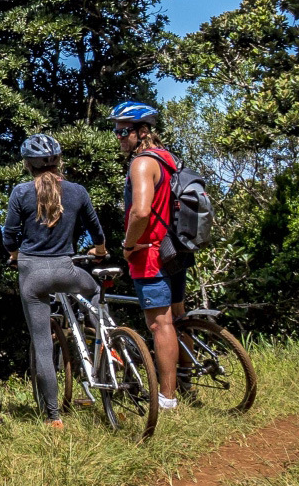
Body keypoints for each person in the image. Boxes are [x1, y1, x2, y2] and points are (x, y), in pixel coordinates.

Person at [2, 134, 108, 429]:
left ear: (27, 165)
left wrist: (14, 255)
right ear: (59, 161)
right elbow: (97, 234)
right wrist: (98, 252)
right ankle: (100, 335)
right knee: (95, 292)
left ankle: (53, 417)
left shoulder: (20, 193)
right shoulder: (77, 191)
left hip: (33, 275)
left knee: (42, 346)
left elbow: (10, 236)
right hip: (67, 270)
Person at [109, 100, 187, 411]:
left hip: (150, 252)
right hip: (175, 249)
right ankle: (186, 382)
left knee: (160, 324)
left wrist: (128, 245)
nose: (118, 137)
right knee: (178, 318)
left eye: (123, 131)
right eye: (116, 131)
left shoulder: (141, 163)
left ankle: (167, 397)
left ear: (142, 132)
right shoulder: (168, 158)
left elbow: (141, 212)